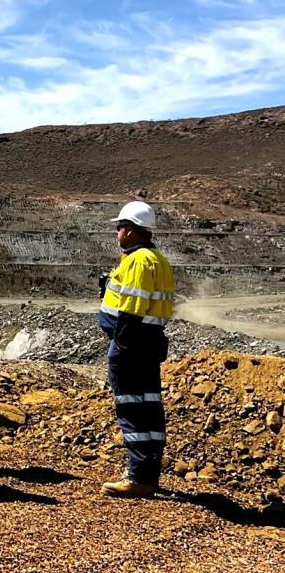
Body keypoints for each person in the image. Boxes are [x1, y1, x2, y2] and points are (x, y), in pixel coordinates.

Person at [98, 201, 174, 498]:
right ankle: (147, 472)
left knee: (132, 406)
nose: (118, 233)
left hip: (131, 344)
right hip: (149, 341)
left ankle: (139, 477)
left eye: (120, 227)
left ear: (129, 230)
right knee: (149, 408)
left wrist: (121, 343)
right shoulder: (159, 260)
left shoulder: (139, 261)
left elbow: (131, 309)